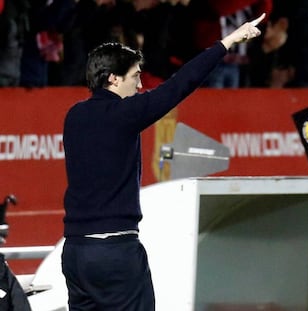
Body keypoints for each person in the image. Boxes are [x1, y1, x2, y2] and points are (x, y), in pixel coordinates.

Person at [61, 13, 265, 311]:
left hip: (75, 252)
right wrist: (229, 41)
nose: (141, 84)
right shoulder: (125, 115)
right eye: (135, 76)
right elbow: (181, 84)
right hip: (114, 252)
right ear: (113, 78)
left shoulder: (73, 117)